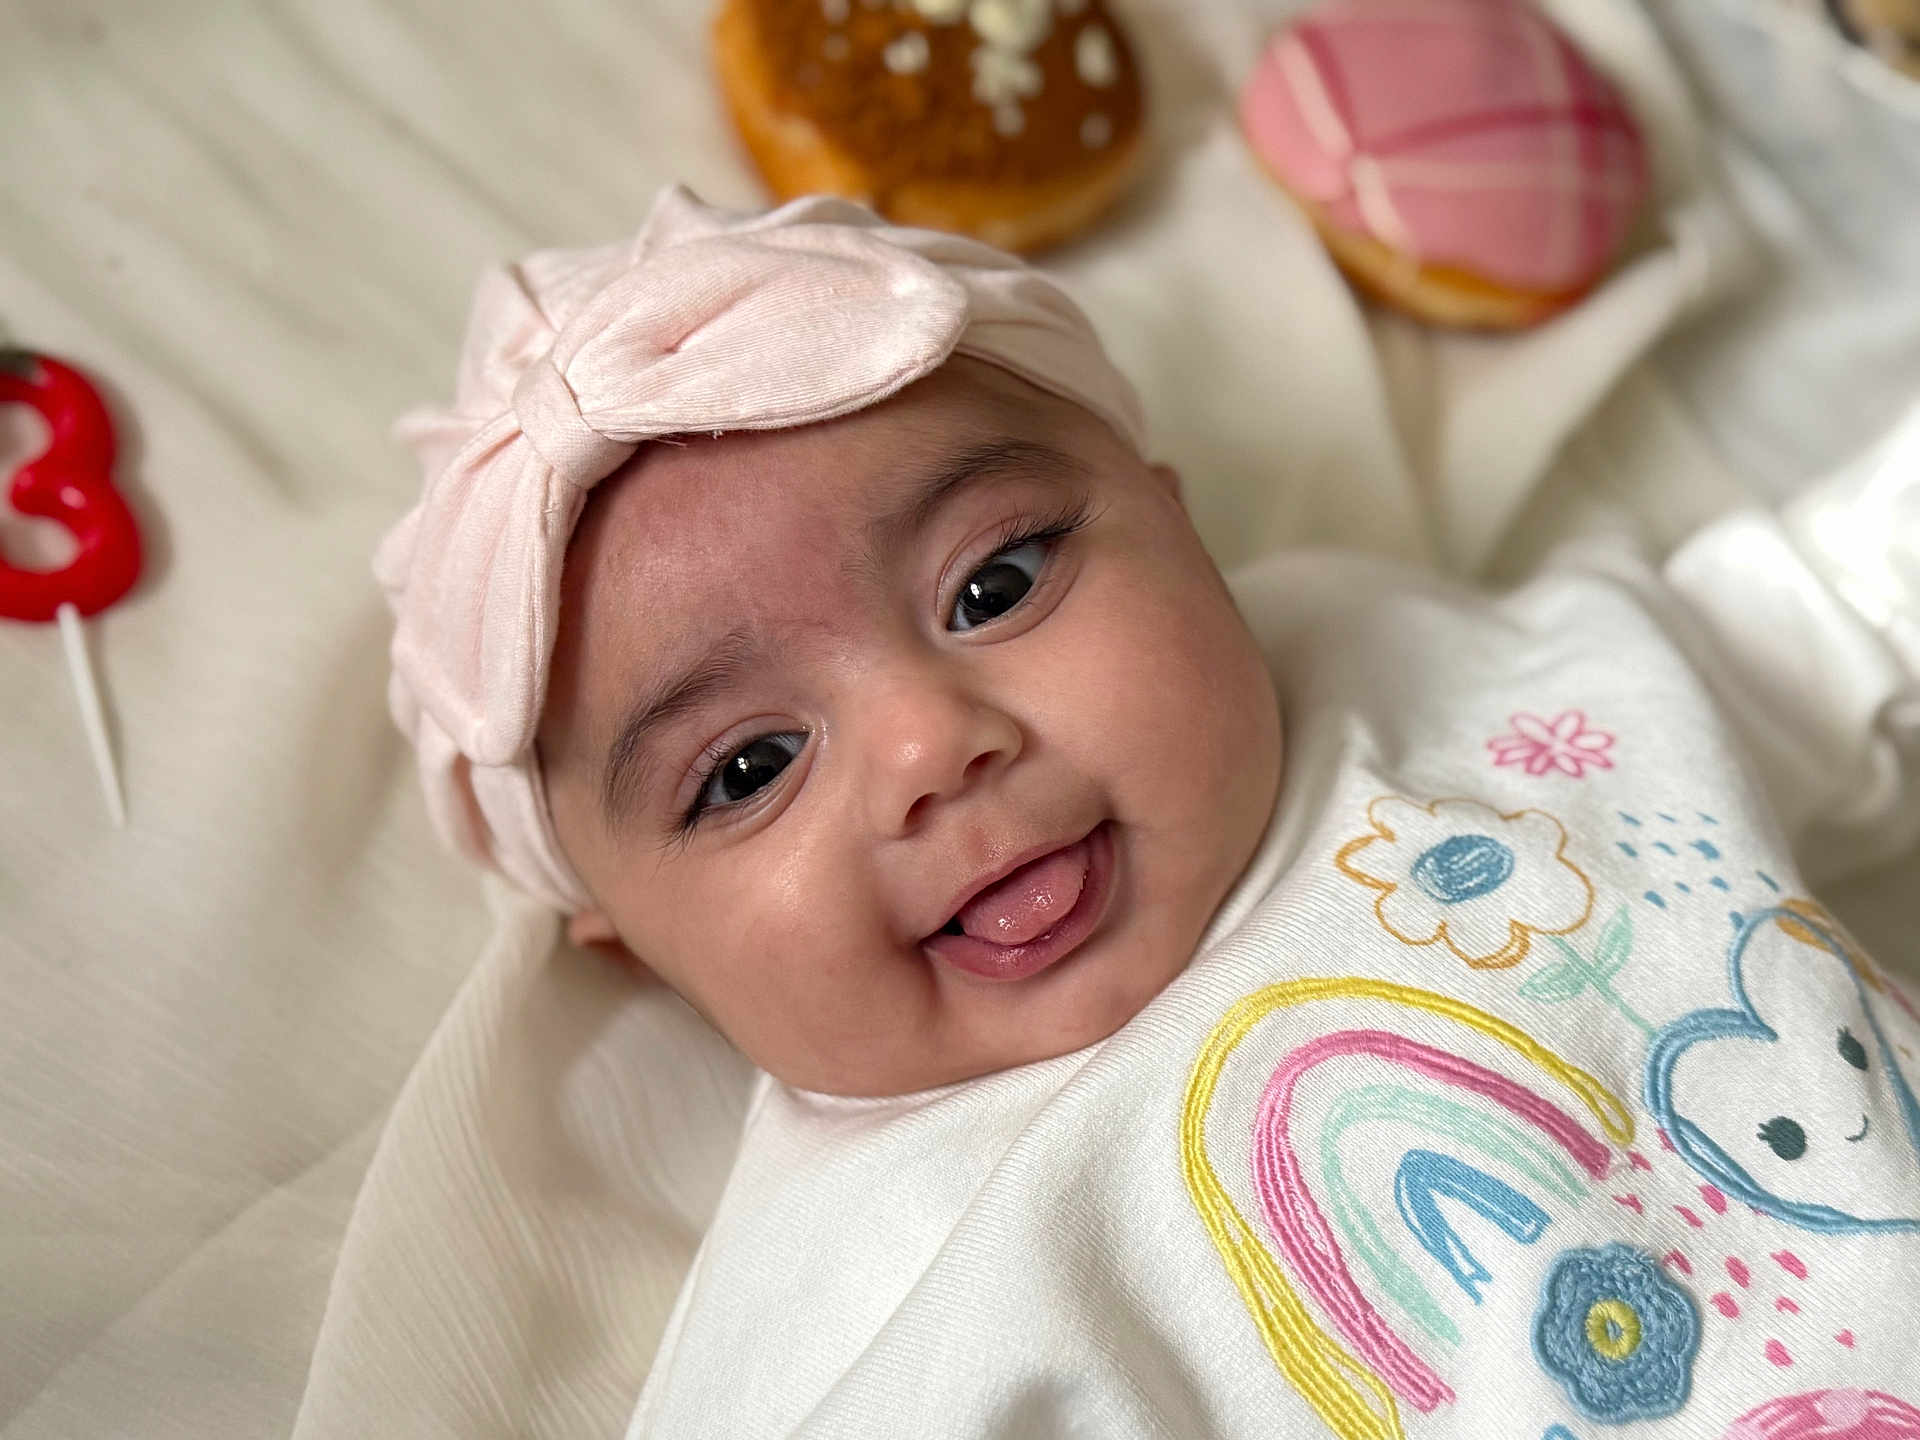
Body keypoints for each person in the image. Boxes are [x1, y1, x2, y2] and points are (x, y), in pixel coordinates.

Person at [378, 186, 1920, 1438]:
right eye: (746, 769)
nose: (930, 744)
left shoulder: (1435, 682)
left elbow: (1842, 617)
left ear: (1174, 520)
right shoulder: (860, 1309)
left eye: (995, 584)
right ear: (627, 941)